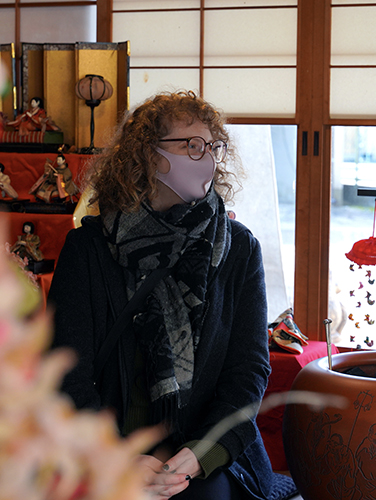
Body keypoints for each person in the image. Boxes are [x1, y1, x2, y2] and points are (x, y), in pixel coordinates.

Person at [48, 91, 296, 500]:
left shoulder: (236, 248)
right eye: (192, 146)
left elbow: (247, 371)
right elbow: (66, 370)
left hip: (201, 449)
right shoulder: (88, 249)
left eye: (213, 147)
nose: (209, 159)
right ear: (148, 155)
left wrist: (202, 453)